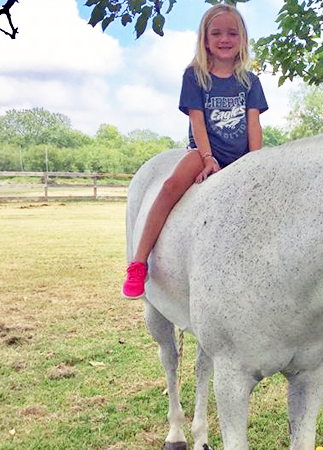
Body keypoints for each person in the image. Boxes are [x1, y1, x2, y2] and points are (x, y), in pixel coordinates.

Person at [121, 4, 268, 299]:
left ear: (242, 39)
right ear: (205, 39)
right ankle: (138, 263)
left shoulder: (250, 82)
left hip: (242, 157)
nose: (224, 39)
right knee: (169, 186)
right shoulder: (195, 76)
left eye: (232, 33)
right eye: (216, 33)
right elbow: (197, 121)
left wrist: (257, 164)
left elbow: (254, 124)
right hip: (203, 152)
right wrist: (207, 158)